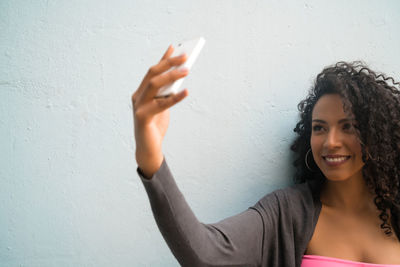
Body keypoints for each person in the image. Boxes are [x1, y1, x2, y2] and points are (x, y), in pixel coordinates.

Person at [132, 45, 400, 267]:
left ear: (376, 133)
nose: (330, 142)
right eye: (320, 128)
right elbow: (205, 254)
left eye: (348, 126)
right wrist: (151, 155)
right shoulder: (287, 212)